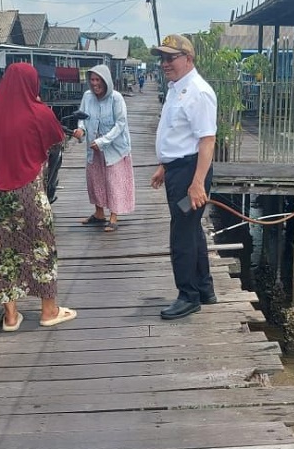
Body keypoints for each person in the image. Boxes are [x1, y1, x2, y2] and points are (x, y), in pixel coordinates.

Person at [0, 63, 77, 332]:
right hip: (30, 197)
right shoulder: (41, 114)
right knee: (41, 250)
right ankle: (49, 310)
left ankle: (11, 316)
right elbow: (56, 146)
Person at [149, 34, 218, 320]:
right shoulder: (177, 88)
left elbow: (207, 140)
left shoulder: (198, 92)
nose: (165, 63)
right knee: (191, 230)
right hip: (179, 170)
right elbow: (179, 134)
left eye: (171, 58)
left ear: (188, 58)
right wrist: (165, 166)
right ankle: (204, 288)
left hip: (191, 173)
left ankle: (188, 296)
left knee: (182, 235)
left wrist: (197, 182)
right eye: (162, 58)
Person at [72, 64, 135, 232]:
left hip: (114, 148)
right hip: (94, 148)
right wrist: (80, 130)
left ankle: (114, 216)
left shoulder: (116, 98)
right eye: (92, 80)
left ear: (106, 81)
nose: (94, 84)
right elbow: (83, 118)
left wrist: (103, 141)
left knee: (113, 181)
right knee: (95, 181)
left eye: (98, 80)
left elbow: (120, 124)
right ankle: (99, 213)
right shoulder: (87, 96)